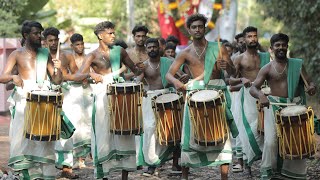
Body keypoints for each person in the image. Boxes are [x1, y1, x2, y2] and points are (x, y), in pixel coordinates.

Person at [166, 14, 237, 180]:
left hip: (217, 94)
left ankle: (224, 177)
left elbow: (234, 72)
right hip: (194, 94)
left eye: (200, 26)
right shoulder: (185, 52)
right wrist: (176, 82)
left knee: (222, 136)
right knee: (189, 135)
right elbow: (169, 74)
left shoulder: (219, 47)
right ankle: (185, 176)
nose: (198, 29)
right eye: (194, 27)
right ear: (189, 30)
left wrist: (228, 66)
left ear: (205, 28)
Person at [75, 21, 143, 180]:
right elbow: (79, 75)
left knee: (125, 135)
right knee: (102, 134)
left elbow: (135, 70)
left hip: (122, 96)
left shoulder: (120, 51)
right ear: (100, 35)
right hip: (102, 97)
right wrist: (92, 75)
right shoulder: (92, 55)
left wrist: (140, 70)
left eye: (114, 33)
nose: (113, 36)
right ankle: (103, 175)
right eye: (110, 33)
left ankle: (124, 176)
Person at [0, 20, 62, 179]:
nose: (39, 36)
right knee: (24, 141)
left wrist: (58, 68)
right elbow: (3, 77)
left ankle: (46, 175)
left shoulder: (45, 53)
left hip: (45, 100)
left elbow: (56, 80)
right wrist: (14, 77)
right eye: (36, 33)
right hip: (24, 101)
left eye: (40, 33)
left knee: (45, 141)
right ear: (25, 35)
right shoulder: (17, 54)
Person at [250, 33, 316, 179]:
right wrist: (261, 96)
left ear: (287, 46)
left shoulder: (297, 64)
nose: (281, 48)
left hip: (294, 106)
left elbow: (310, 82)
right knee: (271, 141)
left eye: (283, 45)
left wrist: (311, 87)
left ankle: (292, 173)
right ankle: (267, 170)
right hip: (273, 106)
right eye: (277, 45)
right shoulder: (267, 68)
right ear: (271, 48)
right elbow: (253, 88)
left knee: (296, 140)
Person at [135, 38, 188, 176]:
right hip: (151, 100)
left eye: (154, 47)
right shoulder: (144, 66)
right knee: (150, 129)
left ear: (159, 48)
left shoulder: (169, 62)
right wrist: (140, 87)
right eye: (149, 47)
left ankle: (175, 164)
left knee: (174, 129)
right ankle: (152, 164)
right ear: (146, 50)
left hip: (169, 98)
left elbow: (182, 76)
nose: (152, 49)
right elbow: (137, 81)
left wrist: (183, 79)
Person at [43, 27, 83, 179]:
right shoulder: (40, 56)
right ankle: (49, 167)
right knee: (48, 131)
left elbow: (76, 75)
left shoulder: (67, 56)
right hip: (46, 97)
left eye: (55, 40)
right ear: (45, 42)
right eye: (50, 40)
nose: (53, 43)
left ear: (59, 41)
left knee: (66, 132)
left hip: (66, 97)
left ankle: (67, 168)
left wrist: (63, 74)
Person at [229, 26, 270, 174]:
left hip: (264, 94)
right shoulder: (239, 58)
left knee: (265, 129)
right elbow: (230, 80)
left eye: (254, 36)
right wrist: (241, 78)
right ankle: (247, 165)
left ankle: (267, 164)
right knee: (247, 130)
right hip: (246, 96)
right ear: (244, 39)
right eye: (249, 36)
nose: (252, 39)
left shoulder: (265, 57)